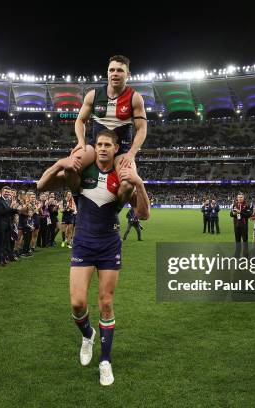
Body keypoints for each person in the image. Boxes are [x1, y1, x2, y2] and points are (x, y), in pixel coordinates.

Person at [38, 128, 150, 386]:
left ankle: (105, 361)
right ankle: (87, 335)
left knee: (106, 303)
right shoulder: (80, 171)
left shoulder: (122, 177)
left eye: (107, 145)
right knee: (77, 303)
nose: (101, 148)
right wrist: (60, 163)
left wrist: (138, 182)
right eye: (98, 144)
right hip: (84, 244)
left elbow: (144, 215)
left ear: (115, 148)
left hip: (109, 245)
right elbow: (41, 184)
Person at [37, 55, 148, 196]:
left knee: (128, 184)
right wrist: (81, 141)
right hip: (95, 146)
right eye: (111, 70)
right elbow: (80, 121)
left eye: (119, 70)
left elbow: (142, 128)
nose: (115, 73)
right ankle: (78, 197)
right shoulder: (93, 95)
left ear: (128, 75)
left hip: (122, 150)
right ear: (107, 72)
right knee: (70, 168)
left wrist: (131, 154)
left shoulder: (135, 98)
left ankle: (114, 208)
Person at [230, 193, 252, 257]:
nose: (239, 198)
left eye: (241, 197)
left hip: (244, 225)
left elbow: (248, 215)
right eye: (238, 197)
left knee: (245, 240)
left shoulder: (247, 205)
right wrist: (233, 213)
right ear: (237, 198)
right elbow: (231, 214)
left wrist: (240, 212)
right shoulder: (235, 204)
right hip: (236, 225)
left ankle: (245, 255)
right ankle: (237, 254)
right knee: (237, 240)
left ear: (243, 198)